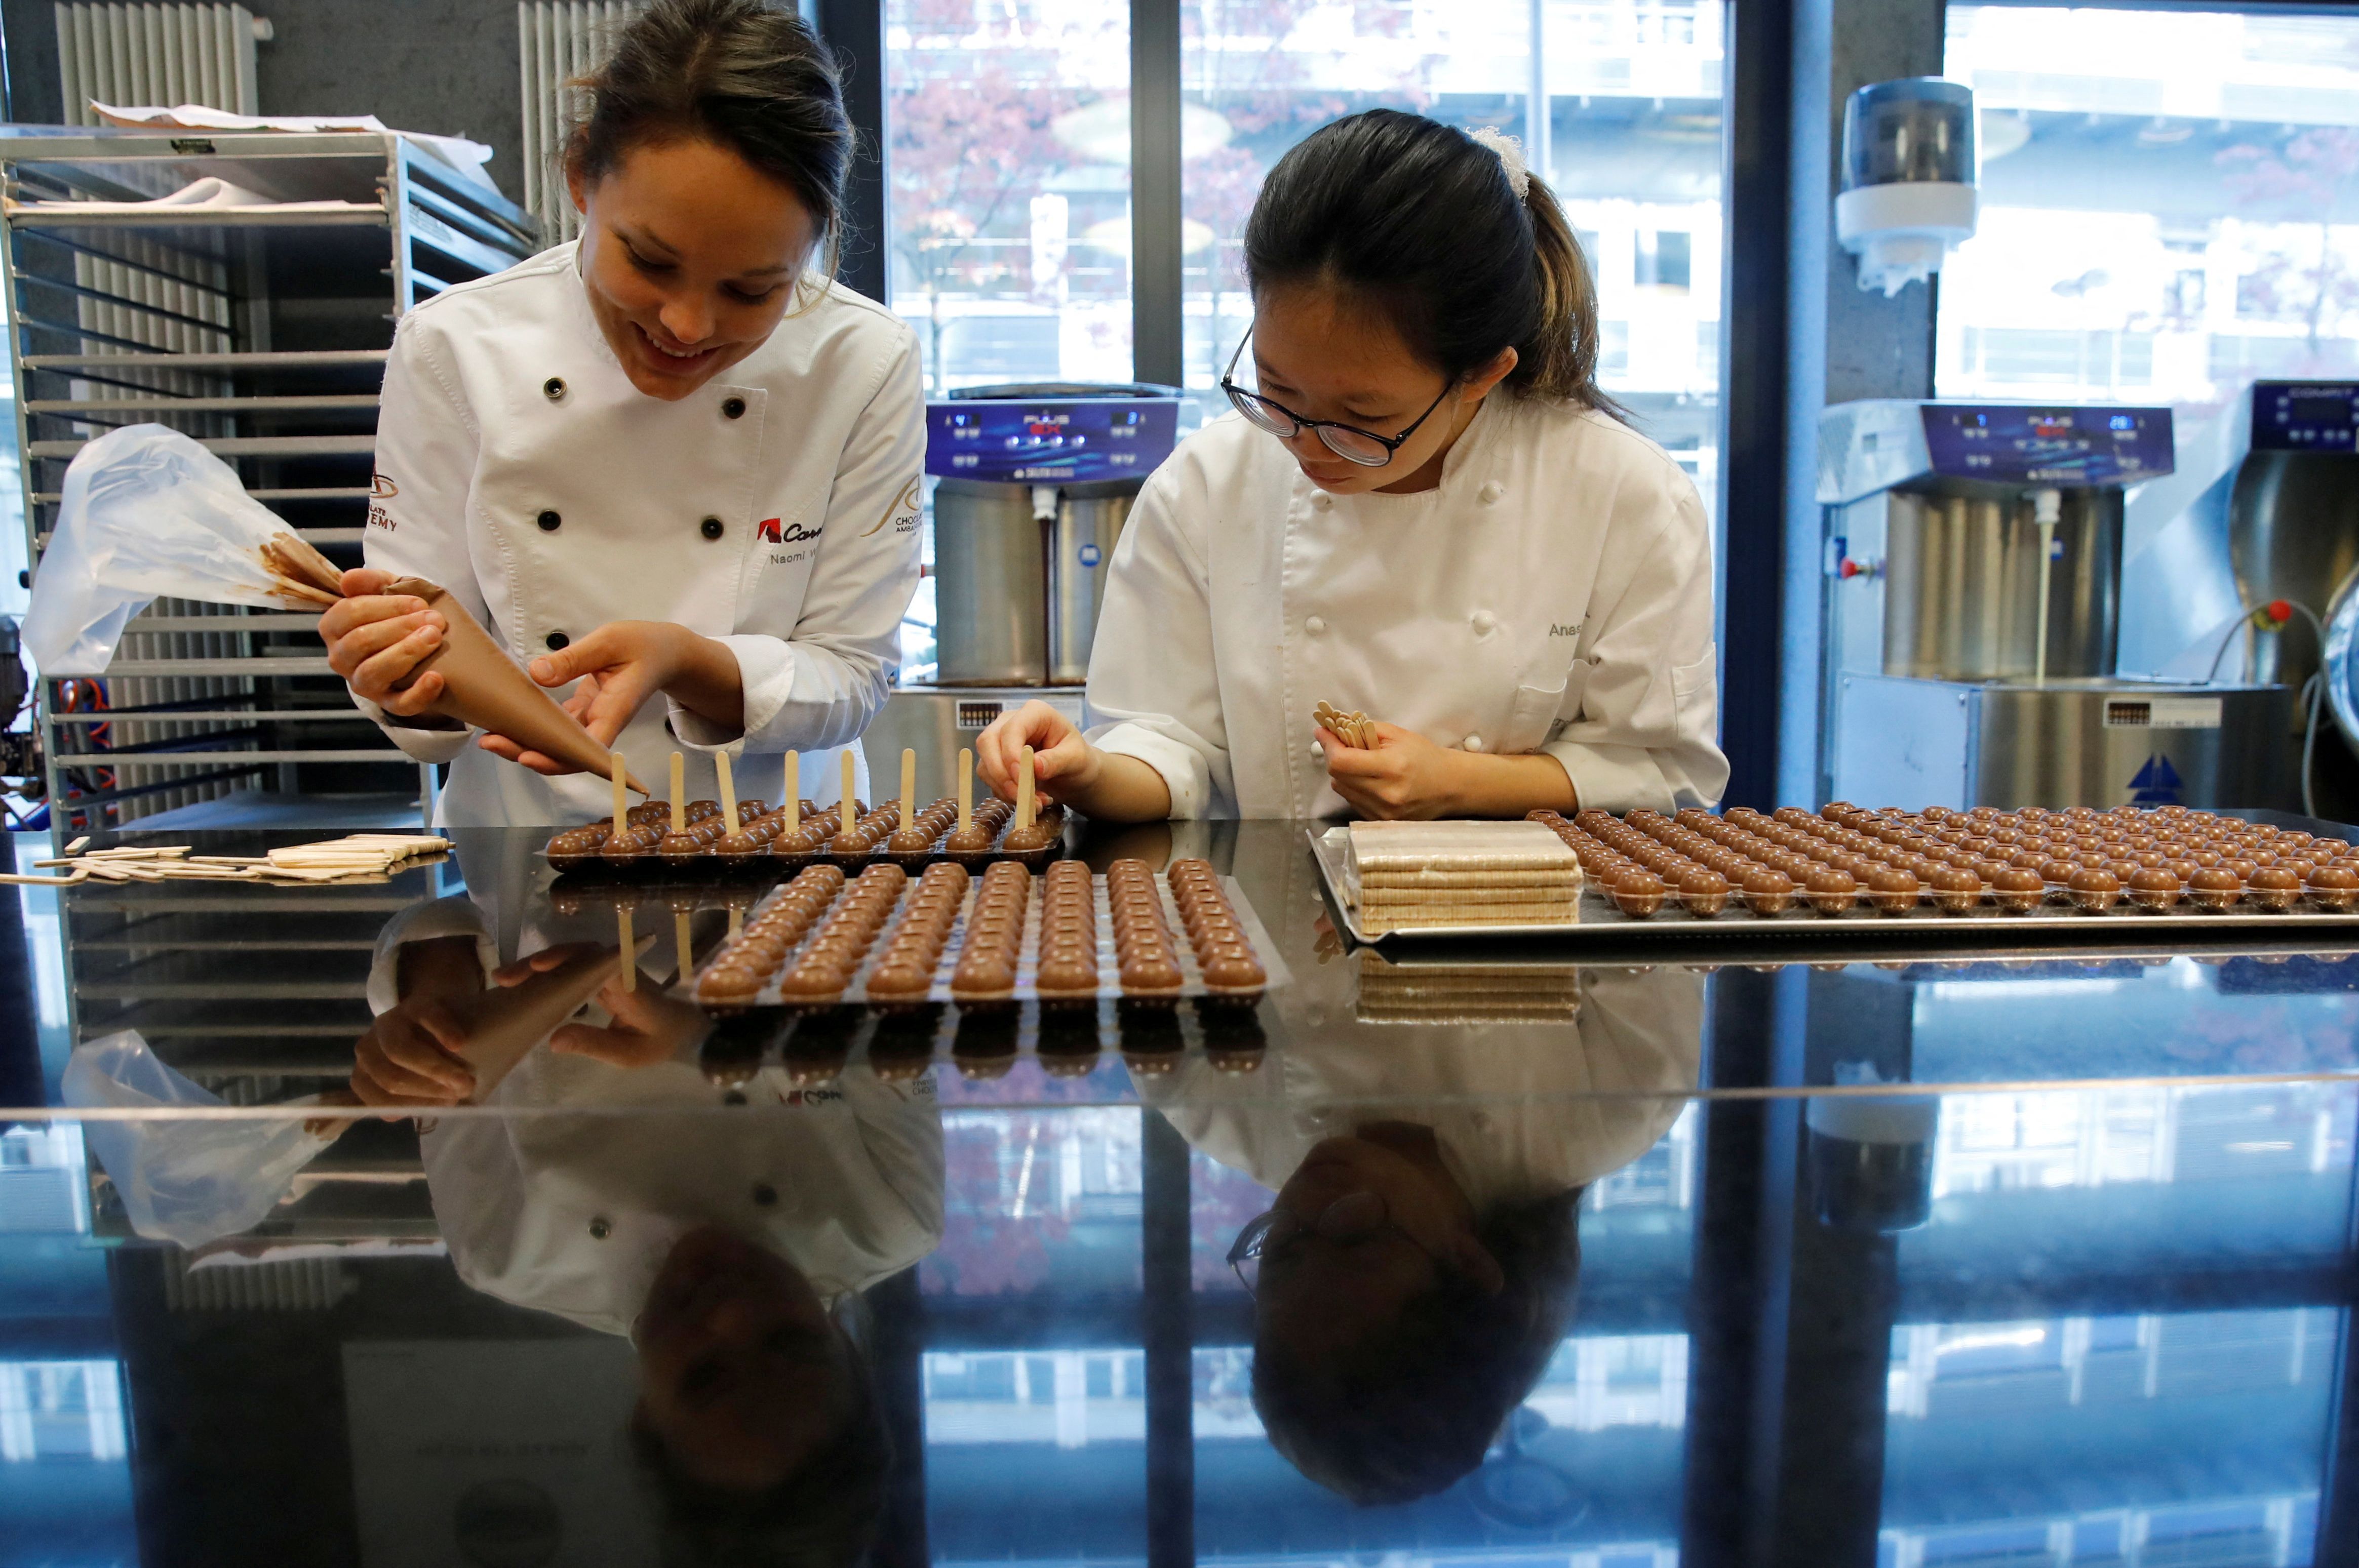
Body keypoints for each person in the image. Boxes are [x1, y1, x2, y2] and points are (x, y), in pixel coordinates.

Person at [975, 110, 1725, 821]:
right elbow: (1165, 742)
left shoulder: (1624, 495)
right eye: (1275, 390)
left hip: (1524, 934)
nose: (1307, 445)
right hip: (1271, 929)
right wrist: (1089, 771)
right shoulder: (1206, 488)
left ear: (1484, 375)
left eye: (1364, 420)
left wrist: (1462, 783)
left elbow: (1663, 770)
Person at [320, 0, 923, 826]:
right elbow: (428, 693)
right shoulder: (453, 345)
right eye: (649, 260)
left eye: (753, 289)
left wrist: (687, 660)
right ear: (579, 178)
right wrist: (397, 678)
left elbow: (853, 677)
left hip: (791, 849)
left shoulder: (862, 359)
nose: (687, 326)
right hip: (531, 848)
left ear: (814, 247)